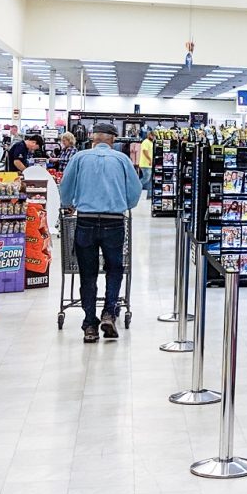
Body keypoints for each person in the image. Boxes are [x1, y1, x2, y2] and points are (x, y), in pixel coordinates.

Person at [59, 121, 143, 343]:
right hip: (114, 222)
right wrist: (122, 203)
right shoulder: (123, 160)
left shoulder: (79, 158)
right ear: (113, 140)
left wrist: (69, 203)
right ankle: (109, 312)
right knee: (115, 268)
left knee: (88, 273)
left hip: (85, 221)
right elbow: (135, 192)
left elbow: (65, 188)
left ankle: (89, 324)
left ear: (92, 138)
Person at [137, 131, 155, 196]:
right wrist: (150, 159)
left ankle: (149, 195)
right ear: (149, 135)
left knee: (149, 180)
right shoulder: (146, 142)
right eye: (152, 136)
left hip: (149, 164)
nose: (153, 137)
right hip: (145, 164)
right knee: (146, 179)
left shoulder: (151, 142)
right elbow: (145, 151)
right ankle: (135, 187)